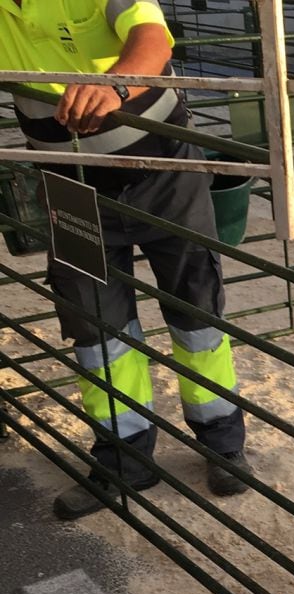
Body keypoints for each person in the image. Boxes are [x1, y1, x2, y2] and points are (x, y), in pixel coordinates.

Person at [0, 0, 252, 519]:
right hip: (71, 187)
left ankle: (222, 444)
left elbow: (152, 38)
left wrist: (114, 84)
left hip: (163, 170)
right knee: (96, 325)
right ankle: (123, 458)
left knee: (195, 307)